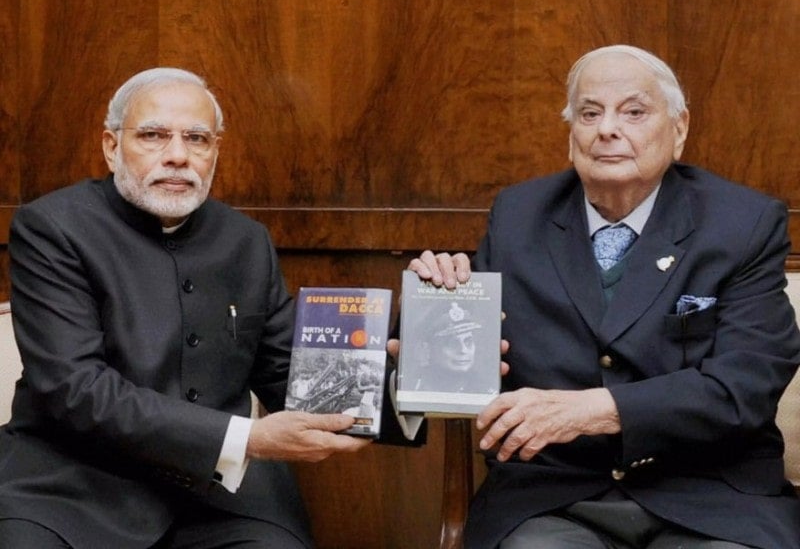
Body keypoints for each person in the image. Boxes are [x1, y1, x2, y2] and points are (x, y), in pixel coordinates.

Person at [410, 45, 800, 548]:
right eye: (590, 113)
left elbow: (745, 386)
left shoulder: (742, 224)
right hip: (554, 499)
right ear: (571, 134)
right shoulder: (518, 216)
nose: (608, 129)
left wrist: (597, 410)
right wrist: (430, 314)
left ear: (678, 129)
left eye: (634, 112)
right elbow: (460, 355)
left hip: (708, 497)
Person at [0, 68, 379, 549]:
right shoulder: (52, 229)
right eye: (154, 136)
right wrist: (249, 439)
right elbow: (77, 390)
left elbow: (294, 377)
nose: (177, 156)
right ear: (111, 146)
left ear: (215, 151)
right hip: (72, 489)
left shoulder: (247, 242)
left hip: (221, 498)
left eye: (196, 139)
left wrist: (406, 376)